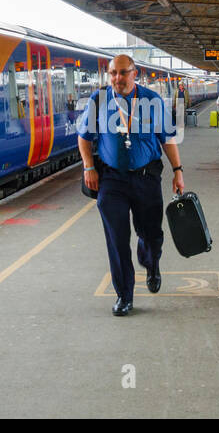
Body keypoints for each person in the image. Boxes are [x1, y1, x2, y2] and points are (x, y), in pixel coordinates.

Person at [78, 55, 185, 316]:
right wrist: (88, 167)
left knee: (151, 234)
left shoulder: (152, 100)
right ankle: (124, 295)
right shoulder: (99, 100)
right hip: (111, 179)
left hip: (146, 177)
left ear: (134, 74)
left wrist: (178, 171)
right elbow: (84, 137)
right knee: (116, 240)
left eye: (123, 73)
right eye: (113, 73)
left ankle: (151, 263)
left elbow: (167, 139)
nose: (117, 78)